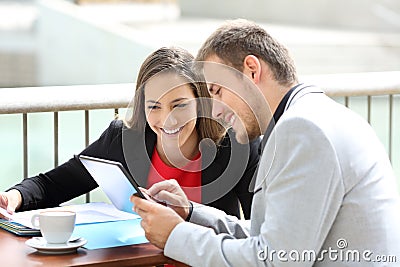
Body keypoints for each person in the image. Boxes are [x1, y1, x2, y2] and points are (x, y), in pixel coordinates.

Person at [131, 20, 400, 266]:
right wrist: (190, 213)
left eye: (217, 90)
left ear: (251, 70)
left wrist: (176, 236)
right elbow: (272, 237)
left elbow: (274, 260)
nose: (213, 111)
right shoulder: (314, 117)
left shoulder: (302, 130)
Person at [0, 47, 260, 220]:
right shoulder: (122, 139)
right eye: (154, 107)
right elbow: (52, 185)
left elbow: (259, 233)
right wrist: (11, 198)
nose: (166, 119)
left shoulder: (236, 146)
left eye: (179, 105)